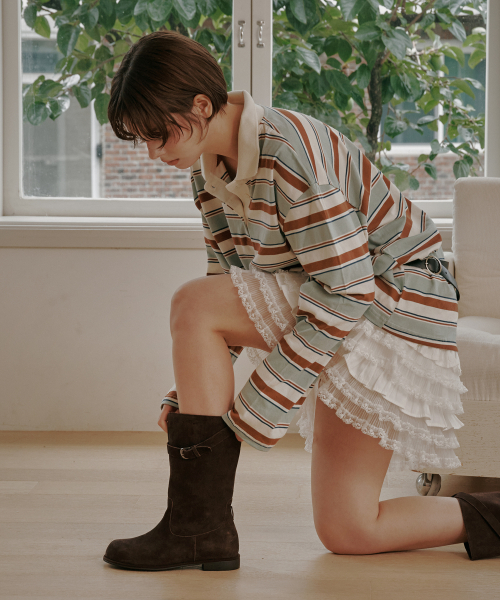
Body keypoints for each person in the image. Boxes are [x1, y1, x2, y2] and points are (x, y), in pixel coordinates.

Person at [102, 30, 500, 571]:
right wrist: (189, 399)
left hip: (395, 296)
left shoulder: (286, 151)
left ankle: (196, 529)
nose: (153, 152)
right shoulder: (207, 172)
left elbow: (348, 288)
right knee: (350, 529)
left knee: (191, 303)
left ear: (201, 105)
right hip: (341, 296)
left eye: (158, 134)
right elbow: (229, 282)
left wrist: (261, 400)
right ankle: (202, 530)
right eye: (141, 141)